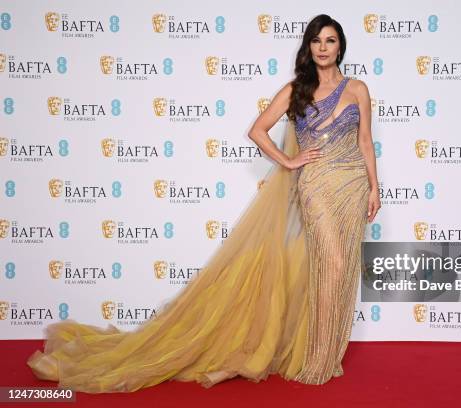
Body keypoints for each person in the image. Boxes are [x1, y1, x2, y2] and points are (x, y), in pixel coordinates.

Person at [26, 14, 381, 393]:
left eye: (330, 40)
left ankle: (326, 356)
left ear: (340, 45)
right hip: (317, 186)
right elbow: (257, 130)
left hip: (353, 185)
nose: (323, 48)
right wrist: (291, 161)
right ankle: (315, 361)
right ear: (309, 48)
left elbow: (364, 142)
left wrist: (374, 187)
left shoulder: (357, 89)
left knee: (341, 270)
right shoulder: (296, 89)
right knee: (333, 264)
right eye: (317, 41)